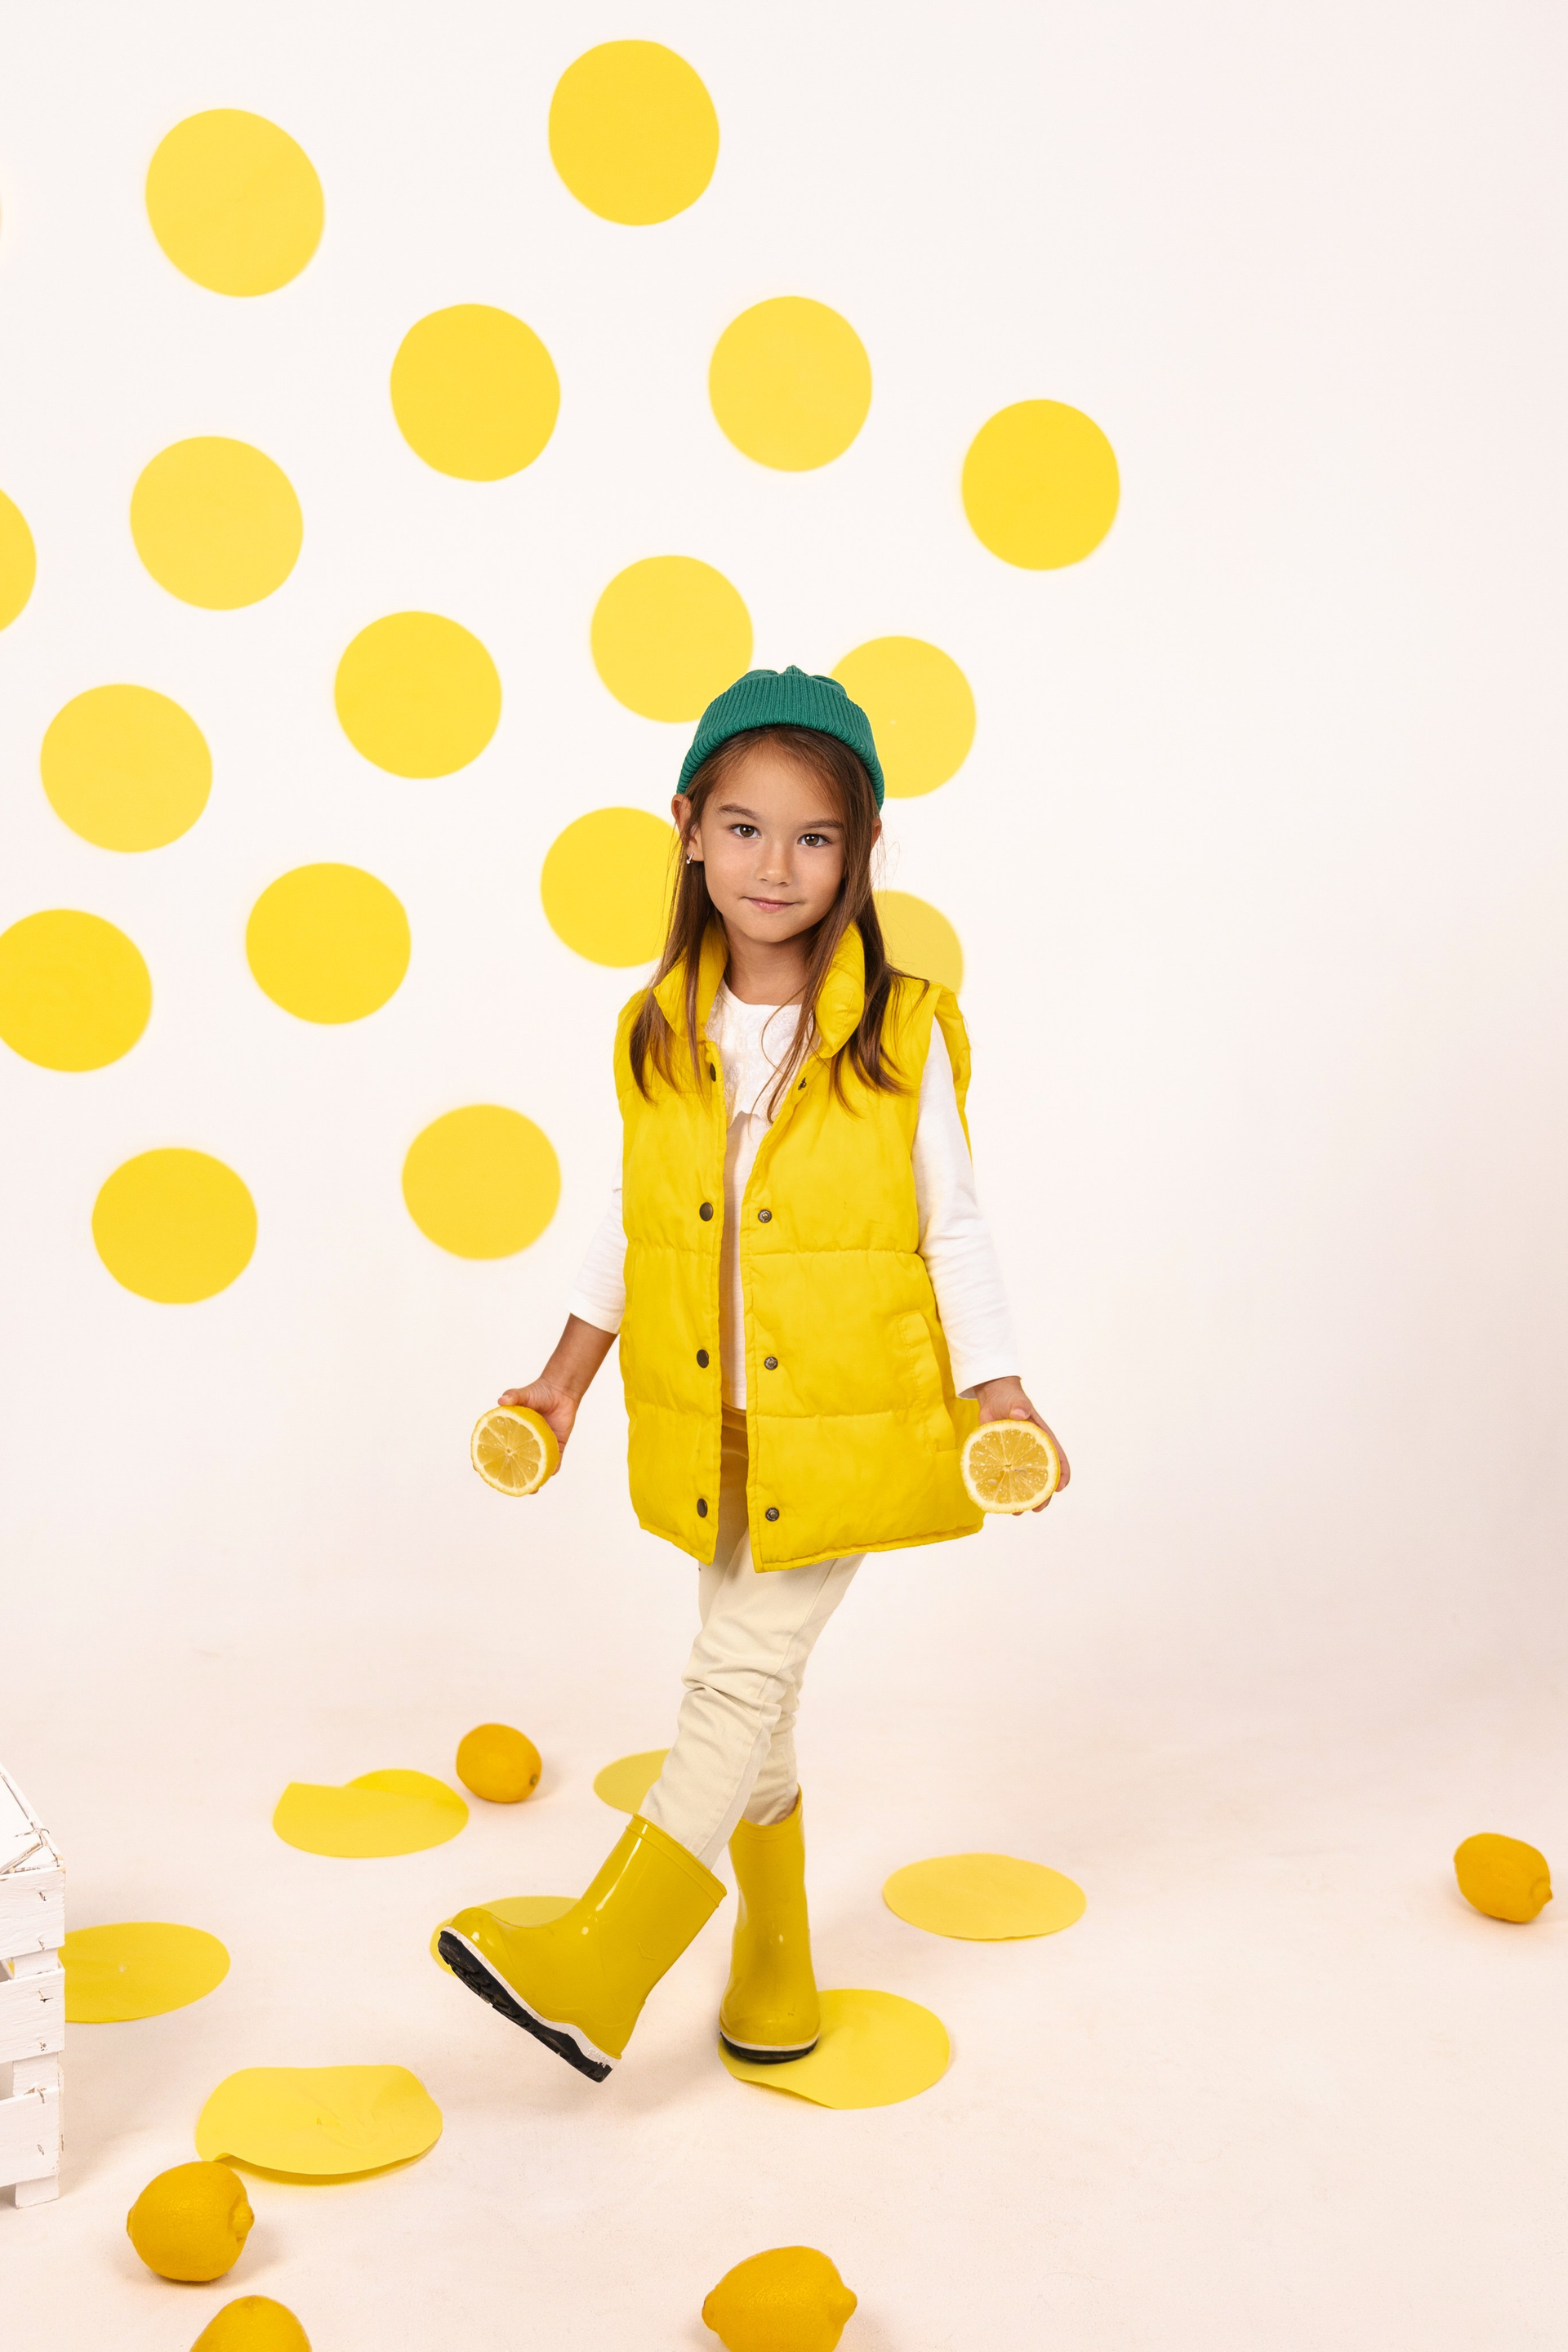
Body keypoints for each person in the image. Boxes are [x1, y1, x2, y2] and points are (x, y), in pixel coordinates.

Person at [439, 666, 1069, 2082]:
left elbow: (953, 1223)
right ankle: (775, 1962)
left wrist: (999, 1391)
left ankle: (608, 1955)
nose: (774, 865)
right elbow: (632, 1226)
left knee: (734, 1674)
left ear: (860, 852)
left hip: (844, 1424)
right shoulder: (657, 1026)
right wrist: (562, 1381)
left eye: (813, 837)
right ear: (687, 830)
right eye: (744, 828)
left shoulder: (904, 1030)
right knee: (757, 1693)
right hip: (710, 1421)